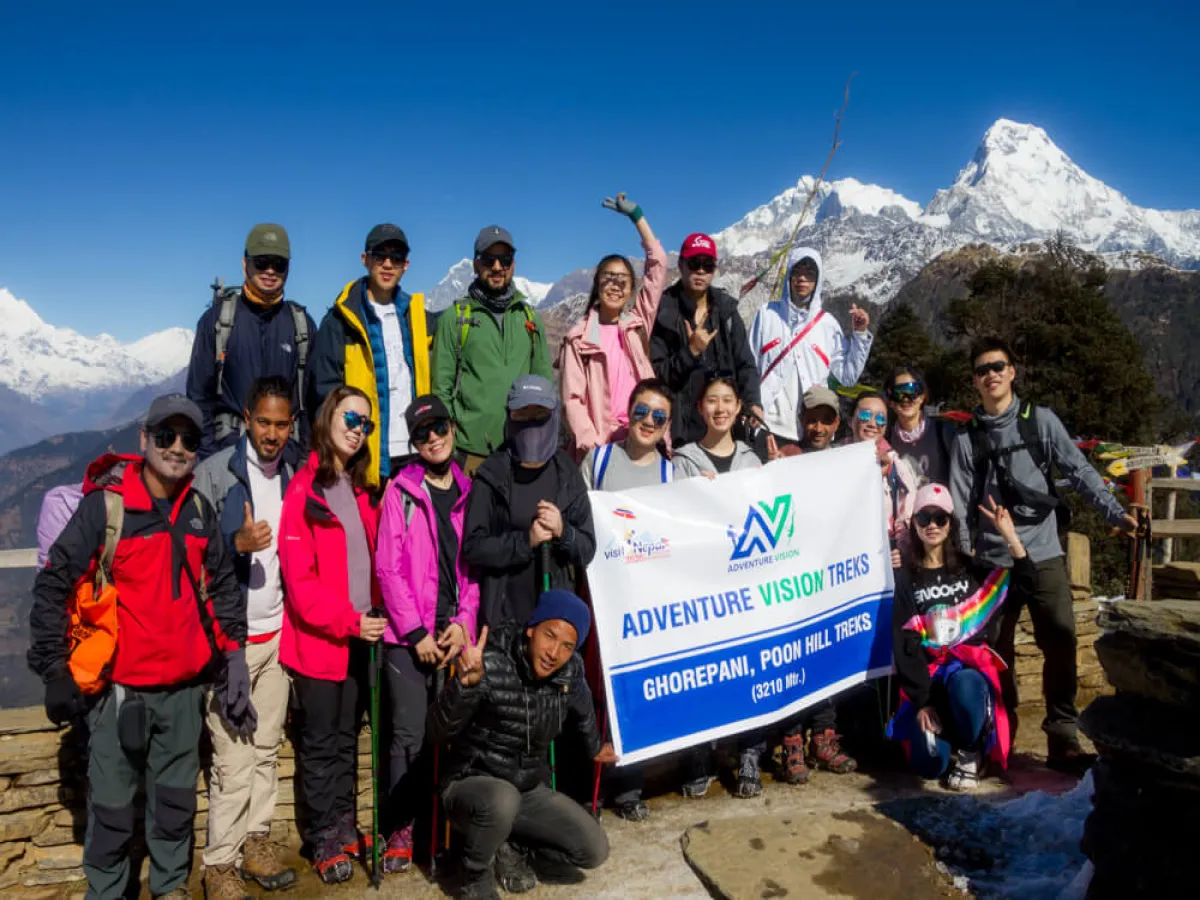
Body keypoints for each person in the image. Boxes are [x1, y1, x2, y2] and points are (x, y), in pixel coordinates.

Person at [28, 394, 247, 900]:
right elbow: (53, 585)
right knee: (109, 809)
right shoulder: (107, 508)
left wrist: (232, 655)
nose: (177, 447)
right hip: (120, 692)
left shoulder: (197, 510)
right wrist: (54, 669)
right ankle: (106, 892)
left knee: (174, 807)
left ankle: (169, 888)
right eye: (166, 436)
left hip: (184, 691)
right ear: (143, 439)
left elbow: (220, 590)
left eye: (188, 439)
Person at [949, 336, 1138, 773]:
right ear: (974, 382)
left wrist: (1115, 512)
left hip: (1045, 553)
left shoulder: (1042, 422)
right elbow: (959, 503)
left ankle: (1062, 738)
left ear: (1013, 371)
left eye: (998, 366)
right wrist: (964, 557)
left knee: (1061, 641)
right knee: (997, 652)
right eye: (982, 370)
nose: (991, 374)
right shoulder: (966, 440)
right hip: (993, 560)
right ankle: (1002, 736)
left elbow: (1080, 470)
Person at [428, 589, 616, 900]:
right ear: (532, 629)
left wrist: (595, 746)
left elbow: (583, 710)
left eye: (567, 646)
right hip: (470, 788)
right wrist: (462, 687)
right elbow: (435, 732)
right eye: (549, 636)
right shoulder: (490, 663)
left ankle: (517, 844)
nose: (553, 652)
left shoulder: (568, 673)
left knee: (593, 849)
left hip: (526, 790)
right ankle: (474, 876)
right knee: (502, 799)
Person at [190, 377, 299, 897]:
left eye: (281, 424)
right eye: (263, 422)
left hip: (278, 639)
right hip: (230, 643)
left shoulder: (295, 473)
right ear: (247, 419)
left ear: (291, 424)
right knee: (231, 762)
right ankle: (219, 864)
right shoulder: (214, 475)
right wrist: (234, 543)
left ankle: (254, 842)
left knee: (265, 751)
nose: (272, 434)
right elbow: (188, 556)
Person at [278, 387, 387, 884]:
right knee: (320, 746)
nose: (357, 428)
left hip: (358, 641)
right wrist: (350, 621)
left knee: (346, 741)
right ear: (328, 419)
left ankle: (343, 825)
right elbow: (302, 587)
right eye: (350, 417)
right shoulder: (304, 492)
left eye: (364, 423)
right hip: (322, 645)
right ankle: (322, 836)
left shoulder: (361, 488)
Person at [375, 395, 480, 873]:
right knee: (408, 735)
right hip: (408, 637)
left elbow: (472, 569)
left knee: (455, 736)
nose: (433, 438)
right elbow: (388, 568)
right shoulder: (400, 492)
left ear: (452, 428)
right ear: (413, 442)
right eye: (422, 433)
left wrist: (462, 624)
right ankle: (402, 828)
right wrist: (415, 632)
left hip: (452, 632)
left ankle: (443, 824)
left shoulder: (468, 490)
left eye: (438, 427)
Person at [890, 484, 1031, 790]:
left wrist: (1011, 538)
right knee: (929, 765)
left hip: (965, 673)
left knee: (967, 685)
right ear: (913, 523)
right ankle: (945, 738)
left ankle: (971, 748)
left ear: (950, 523)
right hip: (928, 683)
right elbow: (904, 641)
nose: (932, 525)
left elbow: (1023, 586)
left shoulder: (971, 569)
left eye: (940, 518)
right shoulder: (905, 577)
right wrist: (923, 702)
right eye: (924, 518)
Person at [579, 378, 674, 820]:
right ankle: (591, 785)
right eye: (642, 412)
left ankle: (629, 785)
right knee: (594, 689)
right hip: (601, 593)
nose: (648, 422)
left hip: (645, 599)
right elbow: (578, 516)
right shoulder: (599, 461)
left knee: (635, 691)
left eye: (659, 417)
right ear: (627, 413)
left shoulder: (671, 473)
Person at [772, 384, 858, 788]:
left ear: (837, 422)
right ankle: (790, 741)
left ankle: (824, 735)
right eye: (811, 418)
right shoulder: (787, 456)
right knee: (793, 658)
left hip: (830, 578)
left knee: (826, 656)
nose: (818, 426)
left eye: (826, 418)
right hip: (791, 579)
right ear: (801, 420)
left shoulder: (847, 461)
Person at [462, 375, 596, 628]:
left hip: (553, 625)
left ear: (554, 416)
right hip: (502, 621)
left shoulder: (567, 473)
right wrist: (526, 541)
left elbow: (587, 548)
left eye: (540, 414)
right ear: (509, 416)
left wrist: (562, 531)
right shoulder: (492, 474)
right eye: (522, 415)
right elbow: (473, 547)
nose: (531, 423)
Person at [308, 224, 432, 489]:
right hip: (363, 459)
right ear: (365, 259)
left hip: (413, 455)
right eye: (380, 255)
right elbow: (324, 395)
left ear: (406, 265)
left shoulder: (418, 318)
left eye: (396, 257)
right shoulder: (340, 321)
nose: (388, 264)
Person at [187, 224, 316, 459]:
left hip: (288, 459)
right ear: (245, 263)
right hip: (227, 455)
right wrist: (209, 460)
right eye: (261, 262)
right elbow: (198, 398)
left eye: (278, 264)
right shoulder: (216, 321)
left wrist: (304, 458)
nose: (269, 271)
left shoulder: (302, 325)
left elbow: (312, 402)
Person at [432, 226, 553, 474]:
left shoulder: (529, 318)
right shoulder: (454, 319)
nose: (497, 266)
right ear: (476, 265)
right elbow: (440, 390)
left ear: (513, 265)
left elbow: (545, 385)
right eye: (489, 259)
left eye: (505, 260)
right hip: (470, 455)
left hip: (523, 450)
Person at [558, 194, 667, 460]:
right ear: (597, 284)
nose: (616, 285)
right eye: (609, 278)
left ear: (631, 289)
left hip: (643, 435)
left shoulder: (637, 324)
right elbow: (572, 399)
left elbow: (658, 265)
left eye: (623, 280)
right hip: (601, 444)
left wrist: (637, 217)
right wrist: (593, 447)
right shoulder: (578, 339)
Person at [749, 247, 871, 446]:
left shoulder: (827, 324)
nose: (802, 278)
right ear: (789, 275)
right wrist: (751, 403)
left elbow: (848, 377)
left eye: (810, 273)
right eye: (797, 272)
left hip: (813, 431)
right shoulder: (766, 315)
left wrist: (859, 334)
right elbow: (750, 365)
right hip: (766, 426)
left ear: (818, 280)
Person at [650, 233, 762, 447]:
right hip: (683, 435)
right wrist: (690, 352)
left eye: (708, 265)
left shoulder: (726, 311)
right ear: (681, 265)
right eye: (694, 263)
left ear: (714, 270)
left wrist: (753, 401)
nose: (700, 271)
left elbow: (745, 364)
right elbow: (657, 376)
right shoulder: (663, 312)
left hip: (727, 428)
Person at [851, 390, 918, 562]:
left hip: (883, 558)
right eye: (865, 415)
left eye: (881, 419)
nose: (873, 423)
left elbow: (906, 517)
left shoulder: (897, 467)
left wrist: (902, 550)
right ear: (852, 419)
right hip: (845, 559)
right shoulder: (832, 459)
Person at [671, 371, 762, 480]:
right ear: (700, 407)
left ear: (738, 406)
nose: (720, 409)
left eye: (727, 400)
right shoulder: (683, 462)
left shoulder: (751, 461)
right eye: (712, 401)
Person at [885, 365, 955, 486]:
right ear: (891, 401)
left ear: (922, 396)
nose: (906, 399)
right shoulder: (886, 440)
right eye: (899, 393)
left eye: (912, 391)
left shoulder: (944, 433)